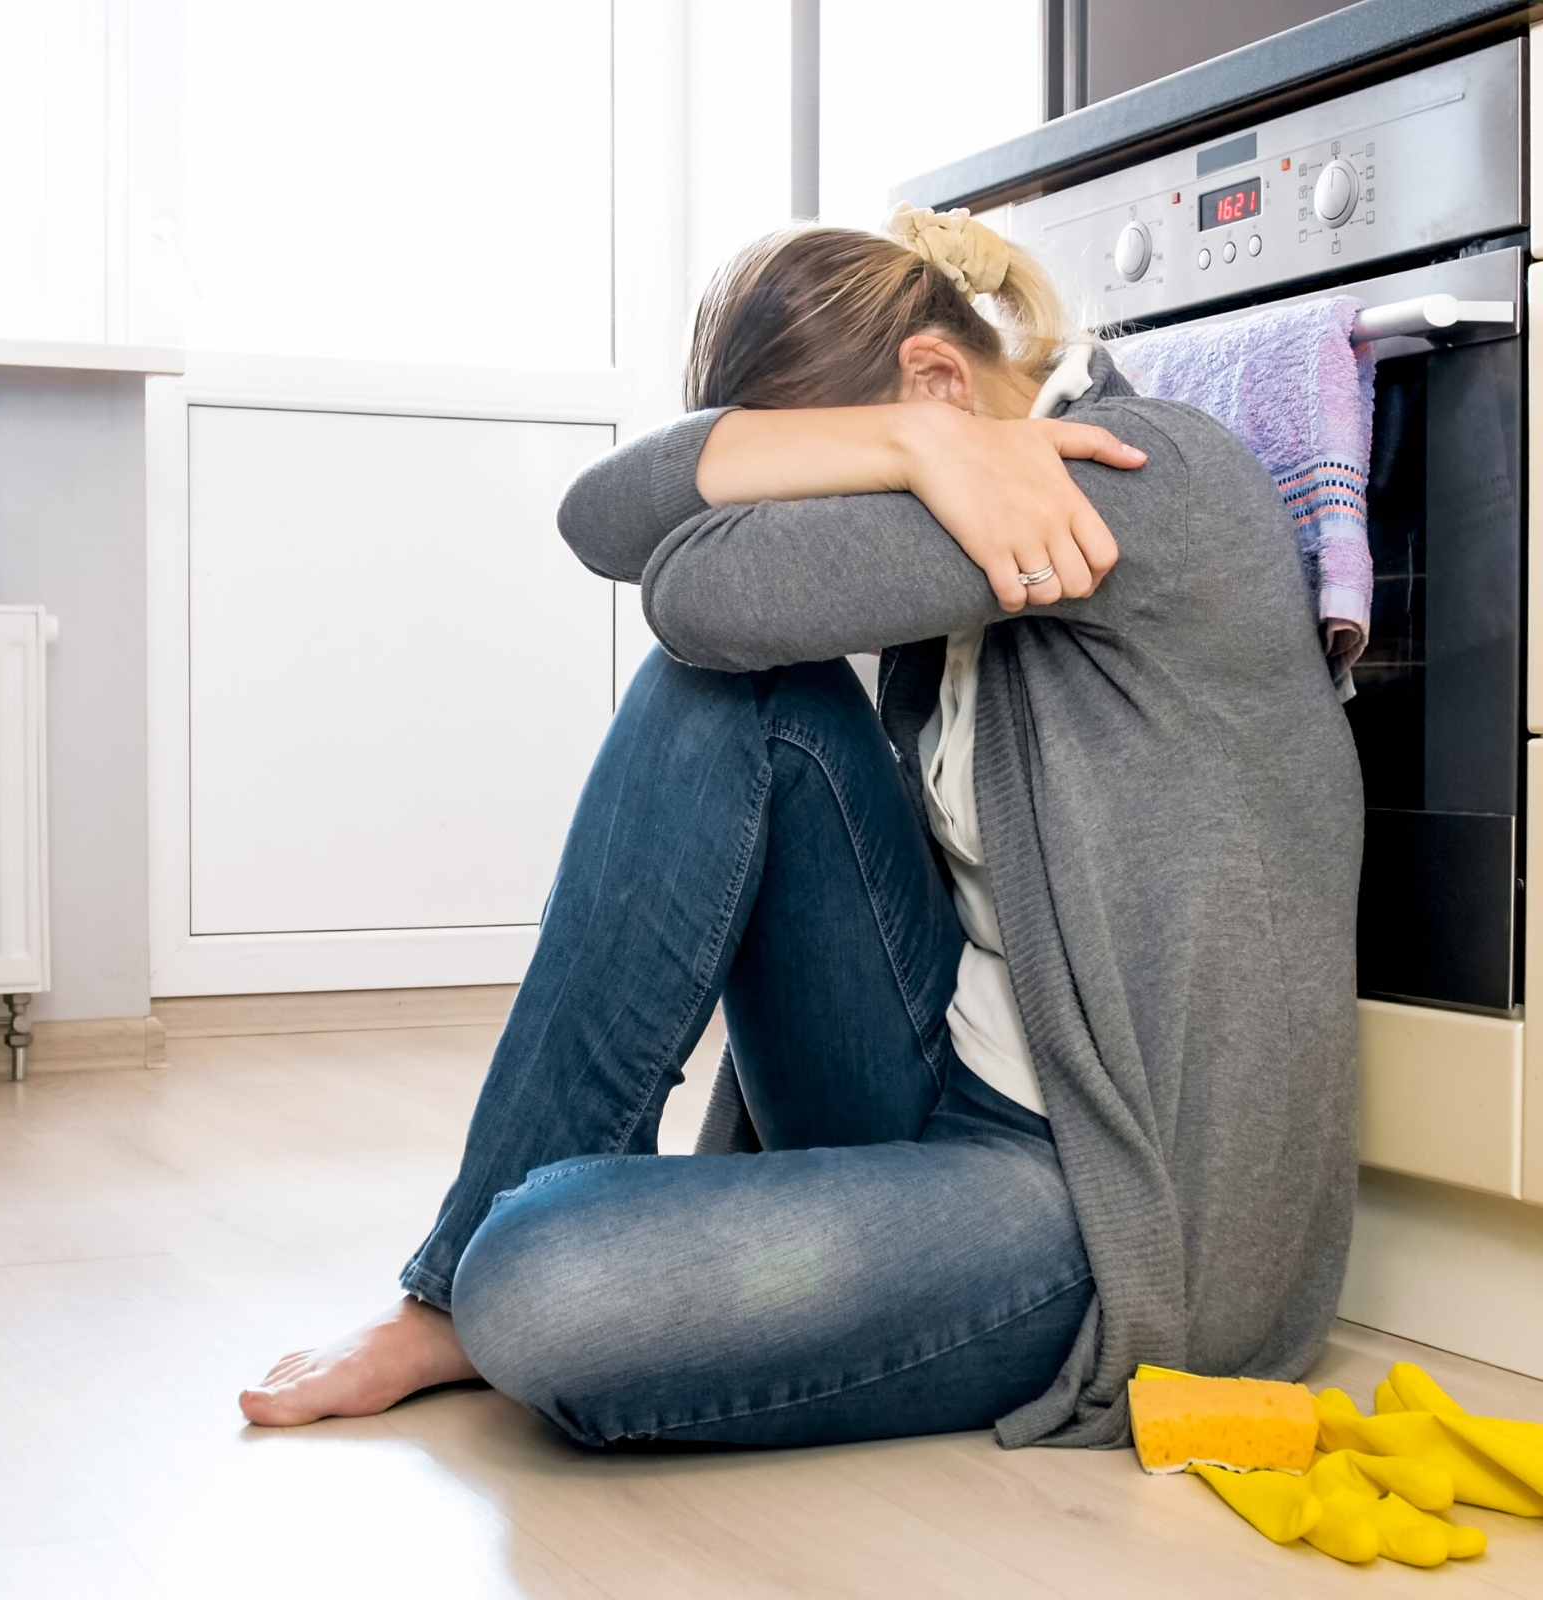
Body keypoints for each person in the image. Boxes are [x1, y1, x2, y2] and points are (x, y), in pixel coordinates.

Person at [240, 206, 1362, 1451]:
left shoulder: (1137, 476)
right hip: (933, 1076)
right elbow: (606, 523)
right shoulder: (964, 482)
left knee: (551, 1287)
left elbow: (703, 586)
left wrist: (906, 445)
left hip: (1101, 1202)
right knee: (726, 697)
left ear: (941, 370)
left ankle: (526, 1264)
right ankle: (452, 1287)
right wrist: (899, 434)